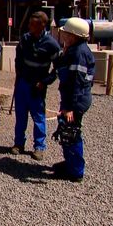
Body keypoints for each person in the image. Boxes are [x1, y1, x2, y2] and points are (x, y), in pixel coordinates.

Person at [10, 11, 61, 161]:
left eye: (33, 24)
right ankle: (19, 143)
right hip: (23, 83)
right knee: (20, 115)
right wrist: (18, 72)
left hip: (37, 86)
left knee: (38, 117)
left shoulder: (51, 44)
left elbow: (57, 69)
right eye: (29, 24)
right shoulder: (25, 39)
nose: (29, 26)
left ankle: (39, 147)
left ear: (42, 25)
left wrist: (44, 82)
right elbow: (18, 56)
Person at [52, 17, 95, 182]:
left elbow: (77, 82)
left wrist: (70, 107)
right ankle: (69, 163)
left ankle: (76, 171)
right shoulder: (72, 50)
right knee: (66, 131)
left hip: (76, 101)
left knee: (72, 133)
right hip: (71, 99)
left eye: (66, 33)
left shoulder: (79, 53)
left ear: (74, 35)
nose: (63, 35)